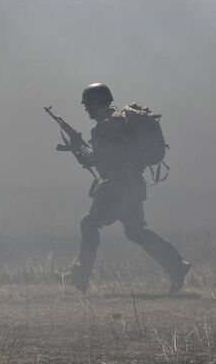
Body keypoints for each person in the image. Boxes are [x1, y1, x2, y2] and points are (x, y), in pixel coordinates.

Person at [63, 83, 191, 294]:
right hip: (133, 186)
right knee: (135, 231)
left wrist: (78, 146)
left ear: (95, 104)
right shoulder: (121, 122)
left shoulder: (105, 127)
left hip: (117, 188)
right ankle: (176, 266)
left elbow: (95, 158)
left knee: (89, 223)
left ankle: (79, 276)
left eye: (87, 105)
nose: (86, 110)